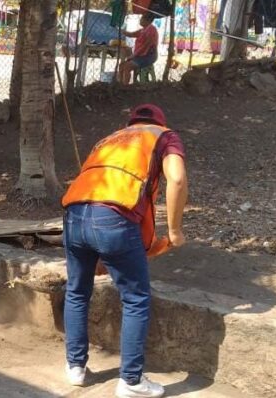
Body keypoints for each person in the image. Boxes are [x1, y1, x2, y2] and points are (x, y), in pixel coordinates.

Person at [60, 104, 188, 398]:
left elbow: (94, 189)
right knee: (136, 299)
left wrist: (98, 250)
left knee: (77, 292)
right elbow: (177, 179)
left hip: (74, 215)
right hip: (114, 218)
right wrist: (175, 230)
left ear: (131, 123)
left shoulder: (110, 139)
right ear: (160, 122)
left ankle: (75, 368)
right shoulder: (164, 136)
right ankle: (131, 380)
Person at [119, 14, 159, 85]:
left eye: (141, 19)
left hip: (148, 56)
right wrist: (122, 31)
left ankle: (125, 86)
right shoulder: (143, 30)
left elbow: (145, 46)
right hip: (140, 55)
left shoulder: (151, 29)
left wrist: (133, 55)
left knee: (127, 67)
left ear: (147, 21)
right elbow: (131, 34)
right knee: (121, 65)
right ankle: (120, 84)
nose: (140, 20)